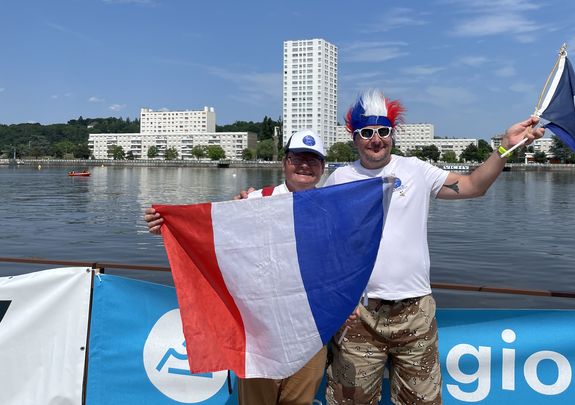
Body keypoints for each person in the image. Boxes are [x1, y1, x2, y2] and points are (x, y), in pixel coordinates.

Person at [322, 89, 544, 405]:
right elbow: (316, 241)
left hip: (415, 312)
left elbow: (473, 186)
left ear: (392, 134)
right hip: (359, 315)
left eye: (383, 131)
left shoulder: (415, 169)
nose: (376, 139)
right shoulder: (339, 179)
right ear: (354, 137)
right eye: (366, 132)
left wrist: (505, 148)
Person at [144, 129, 329, 405]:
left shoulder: (332, 210)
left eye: (313, 160)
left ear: (323, 167)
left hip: (311, 329)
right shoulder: (254, 202)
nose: (305, 165)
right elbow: (211, 235)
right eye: (297, 158)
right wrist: (169, 226)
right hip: (260, 329)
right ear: (284, 163)